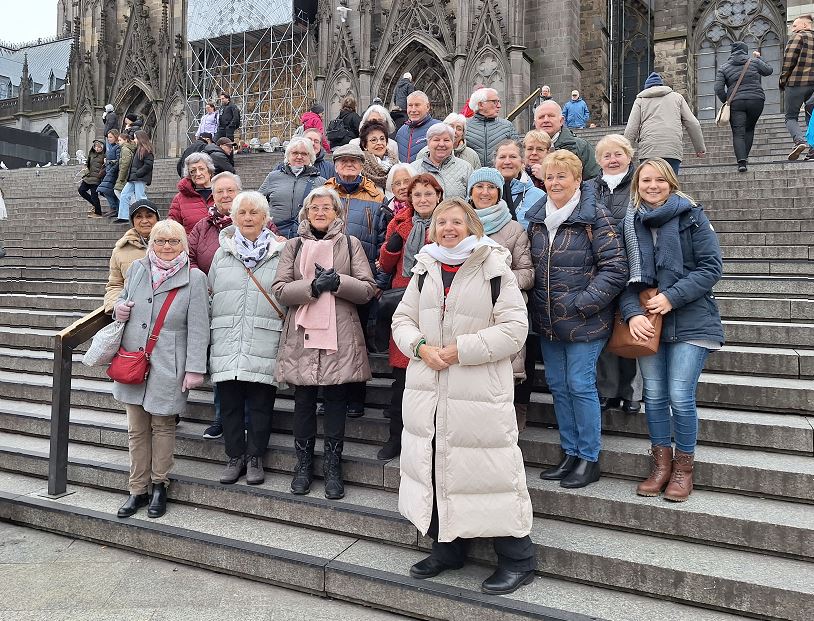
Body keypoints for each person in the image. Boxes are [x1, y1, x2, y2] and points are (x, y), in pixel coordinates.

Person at [391, 197, 535, 596]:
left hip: (478, 390)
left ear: (472, 227)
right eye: (441, 222)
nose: (448, 229)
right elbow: (402, 318)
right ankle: (447, 547)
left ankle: (518, 559)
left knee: (491, 471)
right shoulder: (426, 267)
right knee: (436, 463)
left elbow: (513, 330)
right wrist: (419, 347)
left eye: (456, 222)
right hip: (429, 387)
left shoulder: (493, 267)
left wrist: (460, 350)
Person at [621, 158, 723, 501]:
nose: (652, 186)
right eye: (646, 180)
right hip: (648, 323)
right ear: (637, 185)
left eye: (659, 180)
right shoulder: (630, 223)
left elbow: (711, 267)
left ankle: (683, 470)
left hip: (692, 319)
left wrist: (670, 297)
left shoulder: (691, 214)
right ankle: (661, 465)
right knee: (655, 397)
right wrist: (633, 312)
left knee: (680, 397)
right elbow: (623, 277)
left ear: (671, 182)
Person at [526, 150, 627, 489]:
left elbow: (615, 269)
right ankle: (570, 452)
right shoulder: (537, 218)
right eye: (550, 177)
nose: (555, 183)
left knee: (580, 384)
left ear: (577, 180)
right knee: (558, 386)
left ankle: (589, 457)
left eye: (562, 177)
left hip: (585, 320)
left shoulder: (595, 216)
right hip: (549, 321)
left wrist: (584, 303)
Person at [272, 186, 377, 500]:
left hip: (339, 333)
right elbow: (279, 289)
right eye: (314, 208)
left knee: (335, 401)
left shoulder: (350, 243)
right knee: (303, 402)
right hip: (302, 334)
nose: (320, 212)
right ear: (306, 213)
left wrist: (339, 282)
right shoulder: (292, 245)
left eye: (326, 208)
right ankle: (302, 465)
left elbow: (368, 288)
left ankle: (333, 465)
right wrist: (313, 287)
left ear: (336, 213)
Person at [112, 219, 209, 519]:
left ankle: (159, 485)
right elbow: (123, 299)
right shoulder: (139, 269)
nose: (166, 247)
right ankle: (136, 489)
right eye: (160, 241)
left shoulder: (195, 278)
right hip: (133, 359)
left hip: (170, 362)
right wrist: (118, 308)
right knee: (136, 430)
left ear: (183, 245)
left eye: (173, 241)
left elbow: (199, 327)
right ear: (151, 243)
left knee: (163, 426)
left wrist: (194, 368)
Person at [208, 191, 287, 486]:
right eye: (243, 213)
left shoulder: (281, 252)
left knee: (260, 404)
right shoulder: (222, 252)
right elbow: (212, 292)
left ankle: (255, 457)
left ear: (266, 218)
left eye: (255, 213)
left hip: (264, 337)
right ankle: (234, 456)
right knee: (228, 404)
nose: (249, 218)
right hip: (227, 336)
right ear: (234, 217)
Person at [377, 173, 443, 458]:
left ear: (438, 196)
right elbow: (385, 263)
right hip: (403, 301)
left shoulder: (448, 222)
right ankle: (396, 437)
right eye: (417, 195)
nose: (423, 199)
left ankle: (430, 442)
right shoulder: (399, 222)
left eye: (429, 194)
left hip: (438, 301)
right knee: (402, 377)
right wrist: (390, 246)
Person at [467, 168, 534, 430]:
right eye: (479, 187)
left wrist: (495, 279)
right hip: (470, 312)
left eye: (491, 187)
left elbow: (527, 273)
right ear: (470, 191)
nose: (485, 192)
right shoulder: (461, 224)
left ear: (499, 192)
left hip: (502, 311)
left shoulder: (514, 228)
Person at [324, 143, 387, 416]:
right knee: (328, 342)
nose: (349, 166)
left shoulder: (376, 195)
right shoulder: (323, 193)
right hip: (327, 279)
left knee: (357, 342)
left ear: (362, 166)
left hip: (360, 280)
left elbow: (384, 235)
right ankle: (329, 396)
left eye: (354, 162)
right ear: (335, 166)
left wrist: (377, 268)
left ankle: (356, 398)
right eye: (343, 162)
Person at [588, 134, 642, 415]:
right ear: (599, 161)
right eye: (606, 155)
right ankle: (608, 390)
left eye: (617, 154)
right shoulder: (589, 188)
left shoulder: (638, 184)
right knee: (606, 332)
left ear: (628, 156)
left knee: (631, 329)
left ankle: (632, 391)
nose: (612, 159)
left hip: (632, 266)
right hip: (599, 268)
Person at [624, 73, 706, 175]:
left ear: (646, 87)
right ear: (661, 85)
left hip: (649, 150)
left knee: (650, 184)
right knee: (670, 185)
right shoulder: (677, 98)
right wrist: (699, 148)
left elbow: (631, 128)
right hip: (671, 150)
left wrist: (626, 153)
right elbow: (692, 123)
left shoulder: (640, 100)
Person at [714, 43, 774, 172]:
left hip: (736, 103)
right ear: (745, 51)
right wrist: (759, 58)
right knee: (749, 128)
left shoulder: (724, 68)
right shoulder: (754, 62)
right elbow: (768, 71)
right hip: (756, 100)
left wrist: (727, 100)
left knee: (738, 132)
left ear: (732, 52)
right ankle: (745, 156)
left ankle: (742, 162)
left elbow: (718, 88)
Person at [258, 137, 326, 238]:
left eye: (304, 154)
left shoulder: (320, 182)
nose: (299, 157)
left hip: (307, 235)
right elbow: (257, 201)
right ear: (288, 156)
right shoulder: (273, 177)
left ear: (310, 157)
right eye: (295, 153)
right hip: (275, 234)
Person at [103, 199, 159, 313]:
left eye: (149, 216)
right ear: (133, 222)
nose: (144, 221)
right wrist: (116, 306)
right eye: (138, 217)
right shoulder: (120, 250)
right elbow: (115, 284)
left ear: (157, 219)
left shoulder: (171, 245)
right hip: (133, 312)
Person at [534, 101, 600, 179]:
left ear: (561, 121)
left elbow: (594, 181)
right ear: (535, 123)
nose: (546, 120)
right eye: (541, 117)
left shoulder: (581, 147)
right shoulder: (526, 149)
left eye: (551, 116)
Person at [780, 14, 814, 160]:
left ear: (805, 25)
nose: (793, 29)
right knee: (811, 117)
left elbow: (788, 60)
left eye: (794, 25)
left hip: (796, 83)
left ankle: (799, 140)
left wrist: (783, 80)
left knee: (790, 117)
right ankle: (813, 149)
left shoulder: (798, 36)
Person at [493, 139, 546, 229]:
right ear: (495, 162)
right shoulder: (483, 194)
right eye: (502, 157)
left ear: (522, 161)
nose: (507, 162)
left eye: (513, 157)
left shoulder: (539, 196)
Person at [410, 123, 473, 198]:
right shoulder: (413, 169)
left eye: (446, 140)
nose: (441, 144)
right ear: (428, 143)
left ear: (452, 143)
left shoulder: (466, 168)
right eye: (436, 140)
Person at [465, 87, 520, 167]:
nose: (499, 106)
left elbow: (519, 152)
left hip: (501, 177)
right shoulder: (464, 126)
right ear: (480, 105)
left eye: (499, 102)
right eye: (494, 102)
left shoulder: (507, 126)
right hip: (471, 177)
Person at [168, 152, 216, 235]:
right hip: (191, 246)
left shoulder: (222, 193)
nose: (198, 173)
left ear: (209, 171)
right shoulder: (179, 199)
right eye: (193, 171)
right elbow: (171, 227)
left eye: (201, 169)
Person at [416, 113, 481, 170]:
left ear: (463, 134)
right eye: (451, 127)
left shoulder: (472, 155)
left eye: (459, 129)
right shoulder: (424, 152)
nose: (454, 131)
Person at [116, 130, 154, 223]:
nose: (134, 139)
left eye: (135, 137)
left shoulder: (146, 150)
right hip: (134, 178)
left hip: (139, 177)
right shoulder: (138, 149)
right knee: (124, 195)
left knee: (140, 197)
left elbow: (148, 165)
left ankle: (148, 215)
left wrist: (138, 173)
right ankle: (123, 217)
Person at [395, 91, 440, 163]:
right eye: (410, 105)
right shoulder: (401, 131)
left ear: (427, 107)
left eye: (417, 105)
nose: (413, 110)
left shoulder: (438, 128)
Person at [359, 120, 397, 190]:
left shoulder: (397, 164)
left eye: (382, 139)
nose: (379, 143)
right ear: (365, 145)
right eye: (374, 140)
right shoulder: (359, 168)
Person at [78, 139, 106, 218]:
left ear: (102, 148)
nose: (97, 148)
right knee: (81, 190)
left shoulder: (104, 155)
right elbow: (87, 163)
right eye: (96, 146)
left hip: (96, 179)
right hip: (88, 177)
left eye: (99, 147)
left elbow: (105, 167)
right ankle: (94, 205)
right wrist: (85, 168)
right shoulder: (92, 153)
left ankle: (98, 212)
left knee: (94, 196)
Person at [98, 130, 121, 217]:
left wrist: (110, 163)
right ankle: (114, 208)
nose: (109, 139)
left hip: (113, 172)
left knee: (106, 190)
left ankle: (114, 208)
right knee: (106, 190)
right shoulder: (110, 147)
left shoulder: (117, 147)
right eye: (108, 137)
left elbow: (119, 160)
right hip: (109, 171)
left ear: (115, 137)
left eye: (111, 137)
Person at [113, 131, 136, 213]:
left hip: (126, 175)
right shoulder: (126, 148)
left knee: (118, 191)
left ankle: (136, 206)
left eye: (120, 140)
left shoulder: (125, 149)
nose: (118, 142)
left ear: (125, 140)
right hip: (128, 174)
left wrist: (121, 177)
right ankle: (135, 207)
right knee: (127, 193)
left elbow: (125, 164)